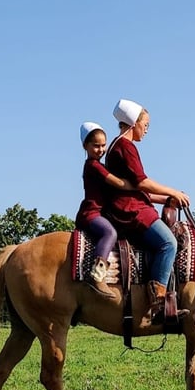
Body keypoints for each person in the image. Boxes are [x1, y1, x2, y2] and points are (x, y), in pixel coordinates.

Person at [105, 99, 191, 325]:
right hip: (130, 210)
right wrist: (173, 191)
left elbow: (137, 187)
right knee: (169, 243)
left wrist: (168, 198)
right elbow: (142, 183)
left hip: (131, 203)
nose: (147, 129)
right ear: (134, 123)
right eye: (146, 124)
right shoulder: (126, 146)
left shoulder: (117, 146)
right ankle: (158, 303)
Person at [74, 121, 135, 298]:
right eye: (96, 146)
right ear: (85, 146)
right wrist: (136, 185)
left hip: (99, 212)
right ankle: (98, 275)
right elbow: (116, 183)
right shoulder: (93, 166)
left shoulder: (100, 165)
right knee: (110, 233)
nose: (100, 149)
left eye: (103, 145)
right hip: (91, 213)